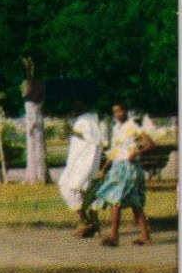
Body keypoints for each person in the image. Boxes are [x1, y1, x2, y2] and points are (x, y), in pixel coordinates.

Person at [88, 102, 154, 247]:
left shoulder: (133, 126)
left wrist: (136, 152)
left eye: (120, 111)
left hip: (129, 168)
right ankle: (145, 237)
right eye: (115, 112)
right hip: (117, 167)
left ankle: (114, 236)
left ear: (125, 111)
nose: (117, 114)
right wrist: (104, 169)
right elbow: (114, 151)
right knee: (133, 202)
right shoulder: (116, 128)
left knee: (116, 199)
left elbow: (150, 144)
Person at [59, 101, 105, 238]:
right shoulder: (89, 119)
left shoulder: (86, 119)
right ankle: (92, 224)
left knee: (71, 187)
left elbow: (93, 138)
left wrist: (72, 131)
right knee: (86, 190)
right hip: (81, 161)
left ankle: (85, 221)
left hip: (84, 162)